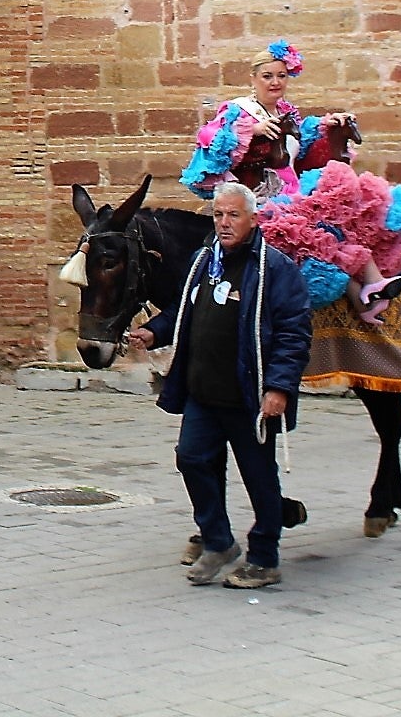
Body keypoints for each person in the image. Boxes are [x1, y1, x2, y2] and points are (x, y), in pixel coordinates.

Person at [128, 182, 311, 589]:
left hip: (250, 397)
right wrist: (155, 332)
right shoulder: (204, 261)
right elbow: (184, 309)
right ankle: (218, 542)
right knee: (191, 459)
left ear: (253, 219)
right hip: (203, 392)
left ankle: (264, 558)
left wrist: (279, 388)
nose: (224, 223)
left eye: (233, 215)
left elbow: (294, 335)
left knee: (259, 478)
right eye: (217, 215)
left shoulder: (275, 270)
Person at [180, 39, 401, 324]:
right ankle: (361, 295)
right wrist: (252, 130)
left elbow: (300, 157)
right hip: (257, 199)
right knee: (310, 236)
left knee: (340, 223)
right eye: (267, 76)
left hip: (293, 194)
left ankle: (371, 289)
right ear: (253, 79)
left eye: (281, 75)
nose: (275, 82)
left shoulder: (287, 114)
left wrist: (327, 128)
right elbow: (210, 141)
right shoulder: (237, 112)